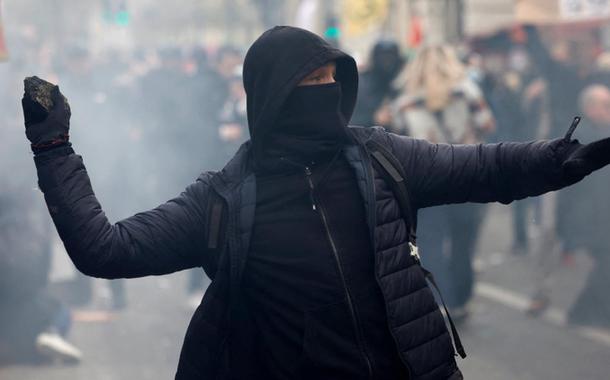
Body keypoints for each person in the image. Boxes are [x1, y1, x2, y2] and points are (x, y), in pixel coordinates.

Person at [21, 26, 610, 380]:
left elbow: (485, 166)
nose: (325, 95)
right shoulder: (224, 199)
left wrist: (563, 158)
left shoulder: (381, 158)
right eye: (309, 84)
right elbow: (105, 249)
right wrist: (53, 146)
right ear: (273, 99)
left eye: (332, 80)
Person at [390, 45, 495, 321]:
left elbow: (398, 139)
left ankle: (440, 301)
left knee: (432, 244)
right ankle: (461, 300)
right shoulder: (468, 92)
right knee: (464, 244)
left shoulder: (405, 102)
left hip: (427, 182)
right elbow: (487, 124)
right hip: (467, 176)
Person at [528, 84, 610, 327]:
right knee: (549, 241)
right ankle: (545, 296)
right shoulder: (580, 134)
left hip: (591, 212)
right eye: (605, 106)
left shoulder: (601, 130)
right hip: (570, 208)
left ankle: (587, 310)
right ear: (591, 108)